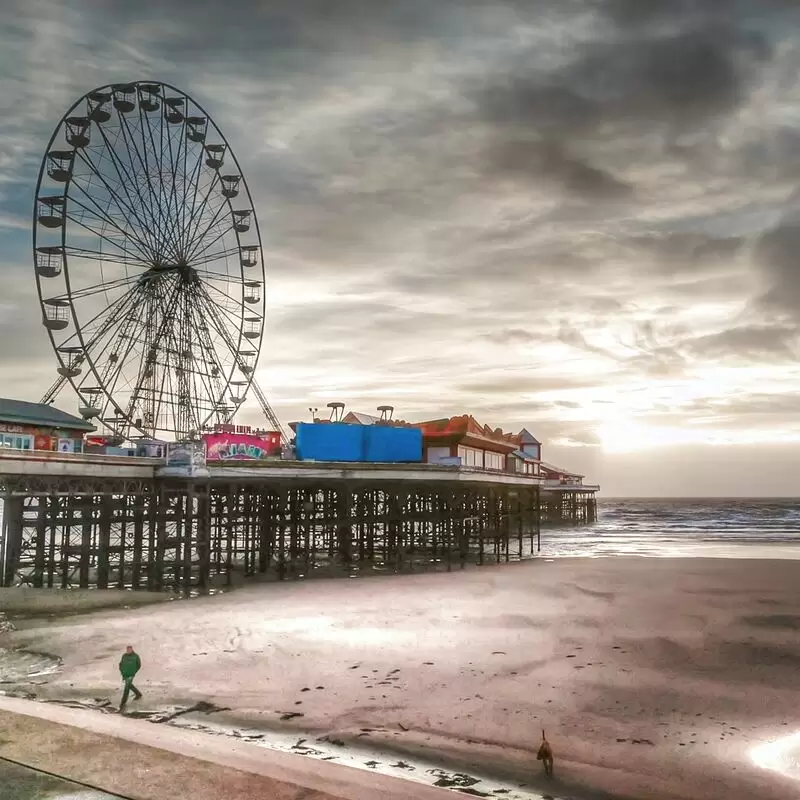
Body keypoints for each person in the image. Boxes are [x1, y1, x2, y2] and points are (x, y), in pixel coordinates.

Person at [118, 645, 142, 712]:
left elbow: (139, 665)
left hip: (131, 674)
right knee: (129, 685)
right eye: (127, 650)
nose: (128, 651)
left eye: (129, 650)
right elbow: (120, 664)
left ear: (132, 650)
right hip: (125, 674)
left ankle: (123, 703)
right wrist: (122, 670)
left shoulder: (136, 656)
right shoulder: (124, 656)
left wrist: (134, 671)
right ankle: (138, 694)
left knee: (126, 688)